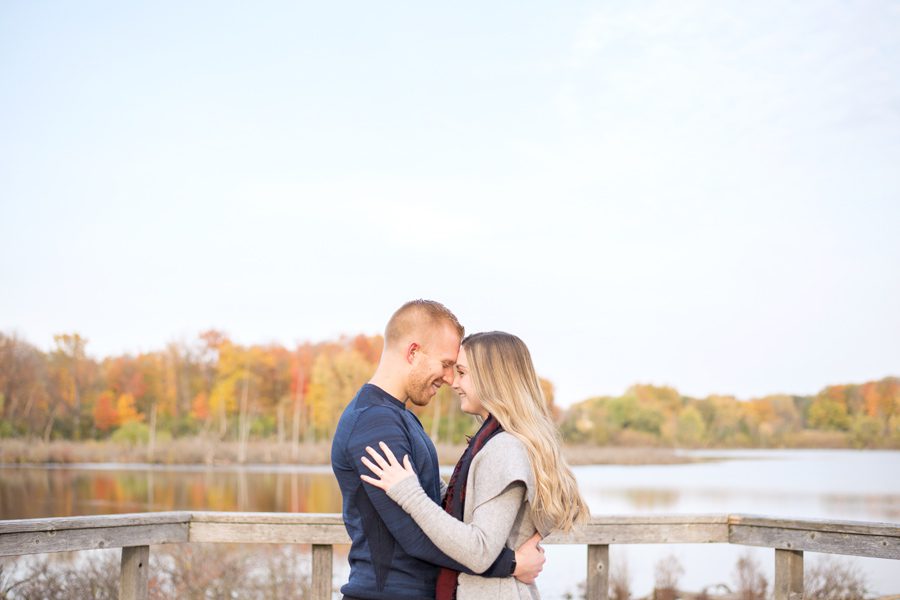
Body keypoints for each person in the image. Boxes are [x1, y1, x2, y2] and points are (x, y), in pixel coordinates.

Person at [331, 301, 546, 600]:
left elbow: (432, 504)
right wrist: (510, 564)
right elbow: (413, 535)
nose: (449, 379)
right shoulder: (374, 424)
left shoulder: (400, 417)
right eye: (446, 364)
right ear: (413, 352)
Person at [360, 330, 589, 600]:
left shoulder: (504, 448)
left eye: (462, 373)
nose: (454, 383)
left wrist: (409, 493)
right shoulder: (497, 442)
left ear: (492, 379)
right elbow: (471, 512)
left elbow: (479, 551)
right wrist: (423, 477)